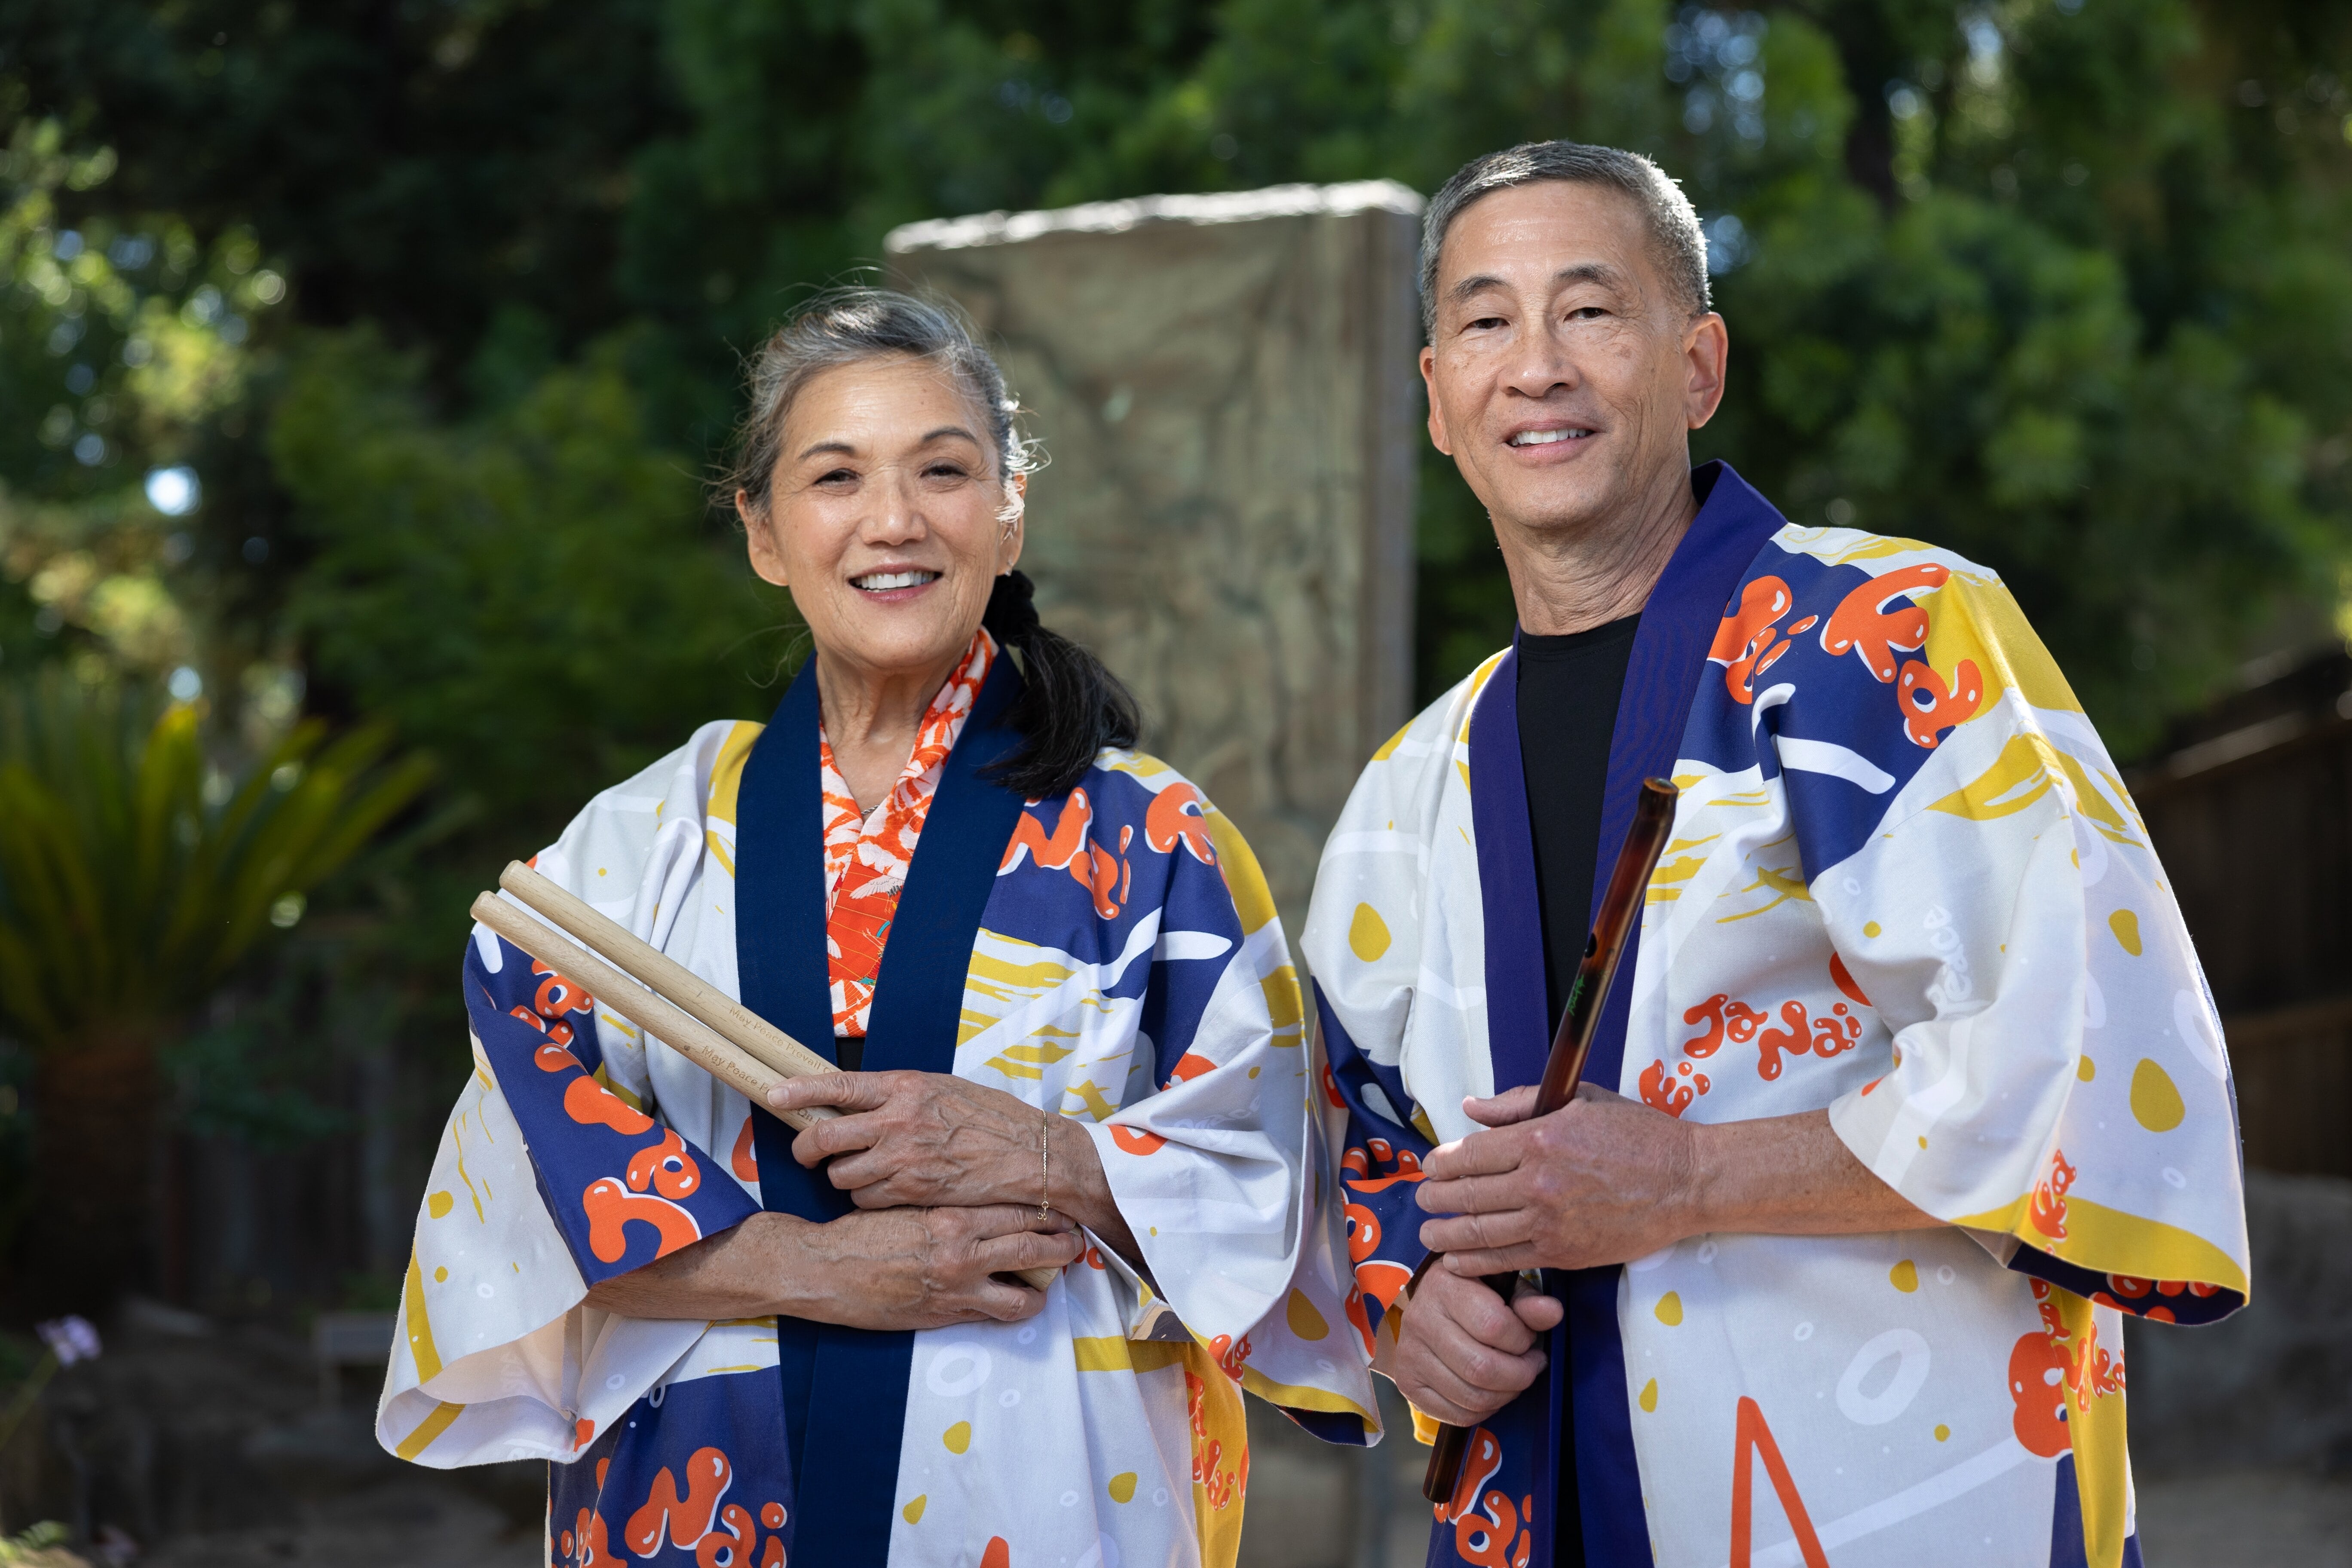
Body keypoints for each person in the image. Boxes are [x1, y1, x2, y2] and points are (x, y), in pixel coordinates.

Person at [1303, 142, 2248, 1568]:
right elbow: (1341, 1139)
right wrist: (1411, 1304)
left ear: (1697, 365)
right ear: (1437, 397)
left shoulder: (1896, 638)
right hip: (1536, 1500)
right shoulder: (1408, 785)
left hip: (1887, 1486)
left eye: (1592, 311)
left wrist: (1685, 1179)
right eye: (1486, 321)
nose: (1537, 365)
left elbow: (2092, 1057)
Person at [378, 290, 1375, 1568]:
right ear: (762, 531)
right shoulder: (627, 856)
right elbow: (520, 1194)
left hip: (1050, 1495)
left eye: (944, 472)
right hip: (699, 1500)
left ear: (1009, 514)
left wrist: (1054, 1156)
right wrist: (812, 1268)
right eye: (836, 476)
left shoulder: (1158, 845)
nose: (893, 521)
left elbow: (1293, 1207)